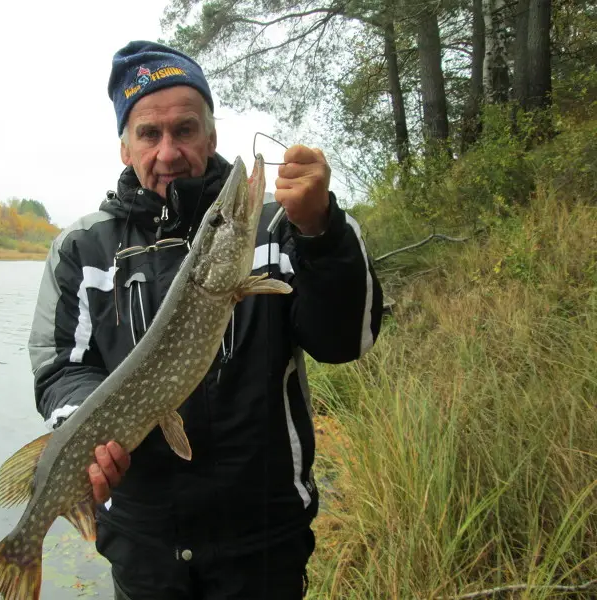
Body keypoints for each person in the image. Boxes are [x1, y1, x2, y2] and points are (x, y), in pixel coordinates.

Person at [28, 40, 383, 600]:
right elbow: (59, 370)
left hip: (263, 541)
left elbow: (346, 340)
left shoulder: (282, 228)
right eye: (149, 133)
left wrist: (322, 231)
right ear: (125, 147)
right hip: (143, 547)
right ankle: (20, 551)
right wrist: (88, 429)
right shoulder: (83, 248)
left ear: (211, 136)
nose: (168, 151)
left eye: (185, 129)